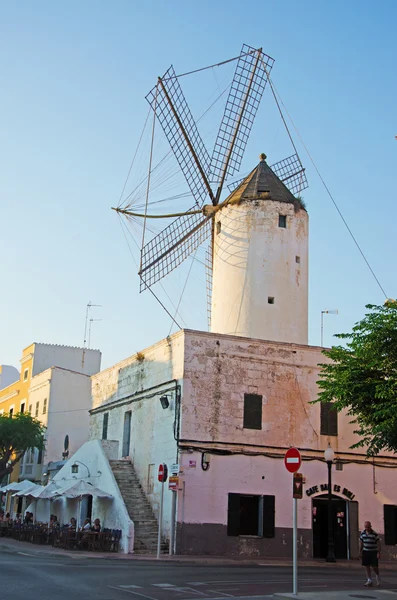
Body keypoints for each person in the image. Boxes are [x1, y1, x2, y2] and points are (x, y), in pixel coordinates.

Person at [359, 520, 381, 587]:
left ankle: (377, 576)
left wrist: (378, 552)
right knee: (366, 566)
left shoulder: (374, 534)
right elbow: (361, 543)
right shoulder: (362, 533)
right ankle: (369, 580)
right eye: (366, 527)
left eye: (368, 527)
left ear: (370, 526)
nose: (367, 529)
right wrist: (360, 552)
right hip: (366, 551)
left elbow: (378, 544)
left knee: (374, 566)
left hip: (373, 551)